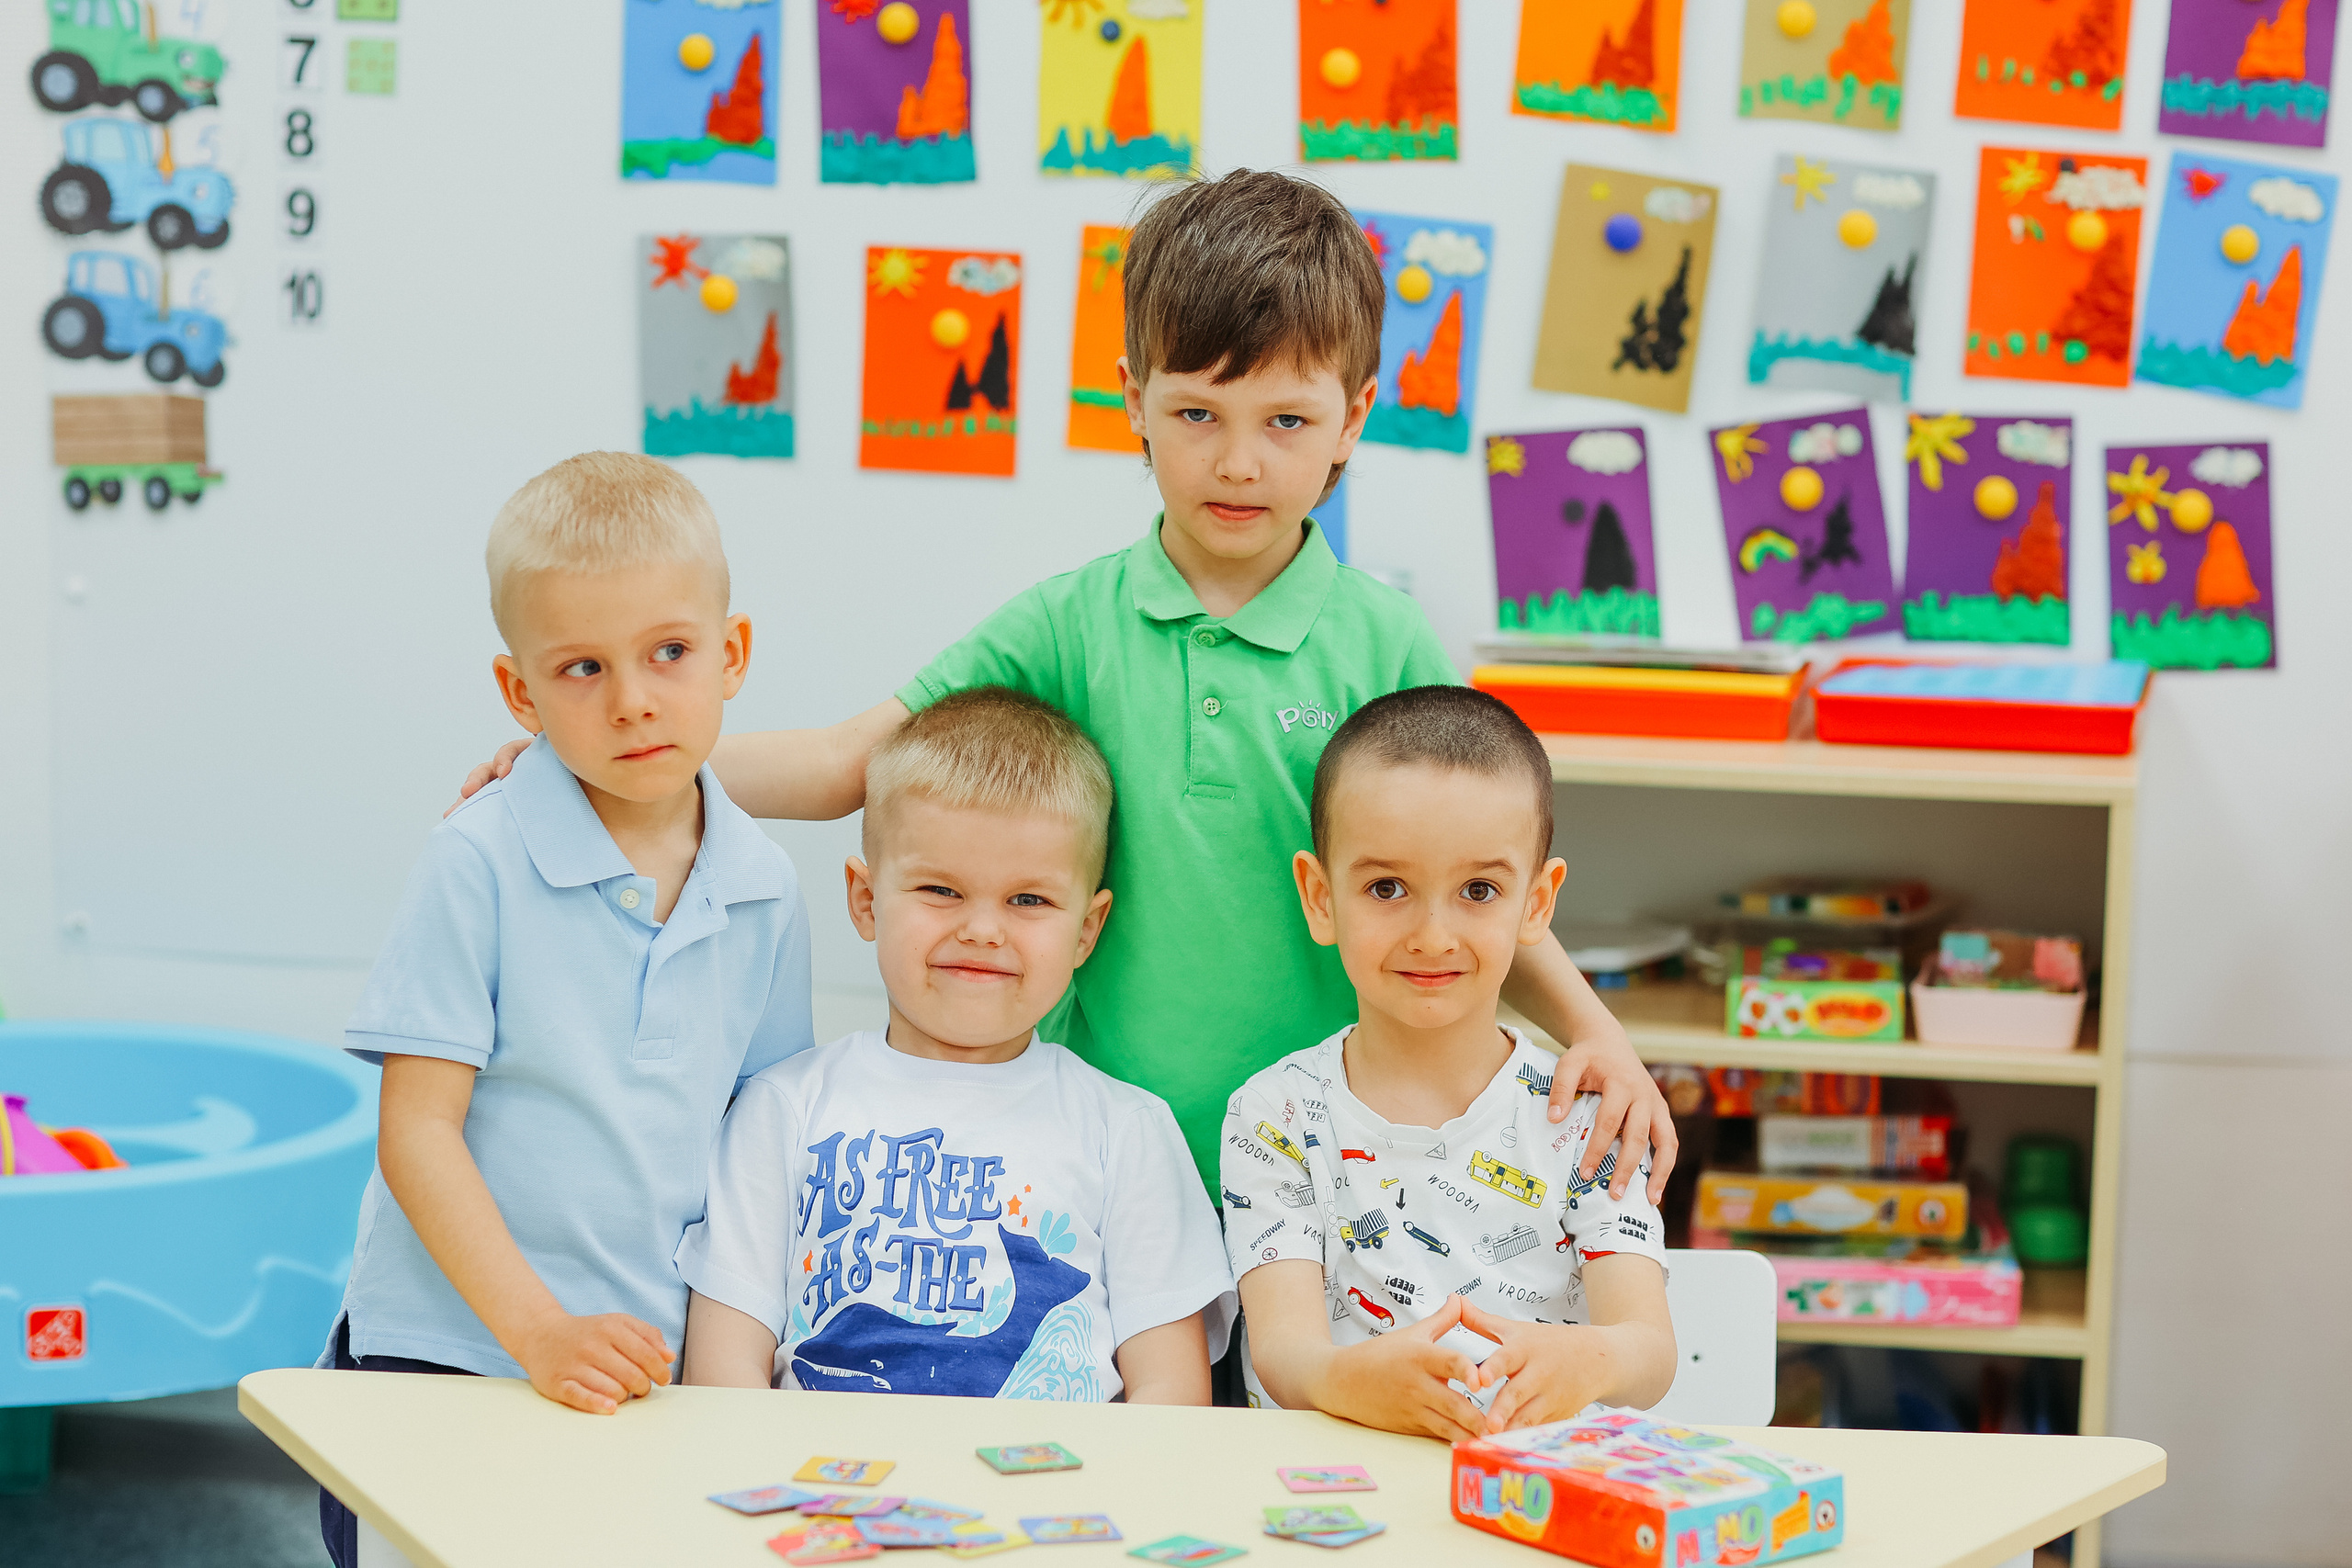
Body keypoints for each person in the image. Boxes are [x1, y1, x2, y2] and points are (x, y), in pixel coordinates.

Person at [452, 168, 1676, 1213]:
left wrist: (1597, 1030)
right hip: (1103, 1172)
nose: (1238, 459)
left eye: (1285, 419)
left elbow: (1480, 894)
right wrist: (618, 765)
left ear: (1354, 418)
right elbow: (847, 763)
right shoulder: (1069, 620)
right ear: (1132, 395)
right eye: (1196, 411)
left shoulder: (1387, 642)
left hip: (1331, 1177)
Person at [319, 454, 813, 1565]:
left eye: (670, 653)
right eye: (582, 667)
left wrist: (739, 1353)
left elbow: (762, 1140)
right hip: (442, 1351)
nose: (633, 698)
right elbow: (416, 1131)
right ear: (520, 693)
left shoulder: (766, 885)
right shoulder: (476, 860)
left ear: (730, 655)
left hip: (645, 1361)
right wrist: (535, 1331)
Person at [677, 688, 1234, 1402]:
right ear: (866, 899)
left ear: (1088, 930)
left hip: (1055, 1504)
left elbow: (1172, 1404)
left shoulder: (1128, 1128)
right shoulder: (780, 1109)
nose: (982, 929)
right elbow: (721, 1380)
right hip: (825, 1500)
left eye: (1028, 900)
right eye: (941, 889)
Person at [1221, 686, 1675, 1440]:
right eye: (1387, 887)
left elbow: (1650, 1349)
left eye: (1478, 890)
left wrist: (1589, 1360)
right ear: (1320, 895)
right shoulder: (1275, 1114)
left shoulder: (1587, 1114)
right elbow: (1283, 1353)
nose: (1433, 935)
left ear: (1537, 901)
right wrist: (1349, 1379)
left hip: (1535, 1497)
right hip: (1332, 1495)